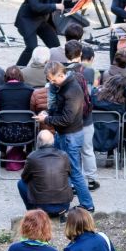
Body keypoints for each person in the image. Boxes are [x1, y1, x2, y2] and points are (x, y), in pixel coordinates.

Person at [37, 63, 94, 211]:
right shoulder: (63, 86)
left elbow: (66, 119)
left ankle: (87, 205)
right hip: (65, 134)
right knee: (62, 168)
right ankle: (63, 202)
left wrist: (46, 120)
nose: (51, 83)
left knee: (74, 173)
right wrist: (48, 114)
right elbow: (59, 110)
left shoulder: (72, 90)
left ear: (61, 75)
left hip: (71, 136)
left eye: (53, 79)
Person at [15, 0, 67, 67]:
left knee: (55, 46)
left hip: (42, 21)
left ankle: (55, 69)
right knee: (31, 48)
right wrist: (55, 6)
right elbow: (36, 7)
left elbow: (62, 1)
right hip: (28, 21)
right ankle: (17, 70)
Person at [20, 131, 74, 216]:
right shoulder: (64, 155)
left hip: (41, 207)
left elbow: (24, 178)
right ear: (53, 141)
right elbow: (70, 173)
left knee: (21, 183)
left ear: (38, 142)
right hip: (63, 207)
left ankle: (31, 211)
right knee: (67, 178)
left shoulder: (32, 157)